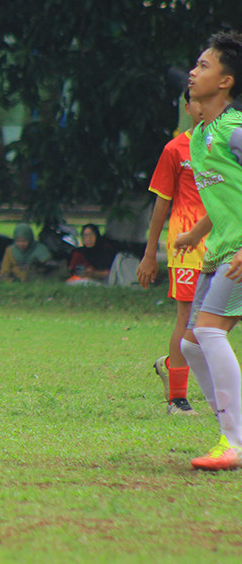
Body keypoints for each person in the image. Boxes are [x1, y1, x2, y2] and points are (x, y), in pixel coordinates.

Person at [173, 31, 242, 470]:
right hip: (219, 252)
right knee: (193, 345)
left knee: (210, 332)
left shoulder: (234, 130)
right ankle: (230, 433)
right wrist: (196, 233)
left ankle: (234, 441)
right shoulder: (202, 135)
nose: (192, 72)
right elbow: (226, 197)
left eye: (203, 66)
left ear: (225, 81)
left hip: (238, 253)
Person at [137, 90, 206, 415]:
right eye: (196, 101)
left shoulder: (227, 145)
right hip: (185, 246)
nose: (203, 107)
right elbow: (161, 204)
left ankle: (171, 364)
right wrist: (150, 254)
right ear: (187, 107)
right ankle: (178, 399)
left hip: (223, 242)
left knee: (217, 320)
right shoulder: (175, 149)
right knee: (188, 316)